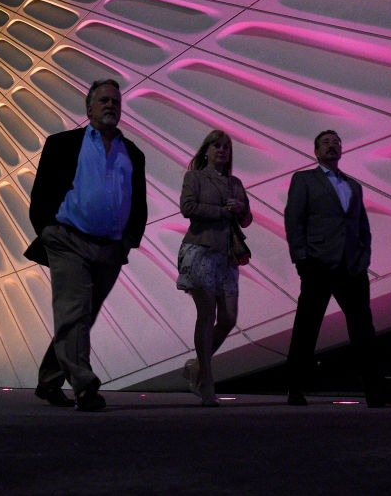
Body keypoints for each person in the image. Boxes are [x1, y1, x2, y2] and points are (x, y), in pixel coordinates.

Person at [24, 79, 147, 411]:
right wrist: (47, 230)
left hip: (110, 248)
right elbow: (42, 193)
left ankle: (49, 381)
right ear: (89, 108)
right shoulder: (63, 144)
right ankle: (85, 386)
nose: (111, 106)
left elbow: (138, 201)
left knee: (81, 316)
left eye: (116, 102)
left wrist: (129, 240)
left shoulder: (132, 153)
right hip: (68, 240)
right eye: (104, 101)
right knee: (75, 310)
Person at [284, 130, 389, 407]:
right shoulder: (304, 180)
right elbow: (294, 220)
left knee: (363, 327)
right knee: (307, 327)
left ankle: (375, 390)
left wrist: (364, 256)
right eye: (326, 142)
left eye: (336, 142)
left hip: (351, 265)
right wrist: (301, 259)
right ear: (316, 151)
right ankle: (295, 387)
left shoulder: (354, 186)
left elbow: (361, 225)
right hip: (317, 262)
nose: (332, 145)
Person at [177, 130, 252, 406]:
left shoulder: (235, 182)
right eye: (216, 145)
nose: (222, 150)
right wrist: (222, 211)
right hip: (201, 250)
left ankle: (197, 366)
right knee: (207, 314)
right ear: (206, 149)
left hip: (227, 255)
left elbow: (246, 220)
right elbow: (187, 207)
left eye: (226, 147)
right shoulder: (194, 177)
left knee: (229, 317)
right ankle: (206, 380)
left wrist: (241, 208)